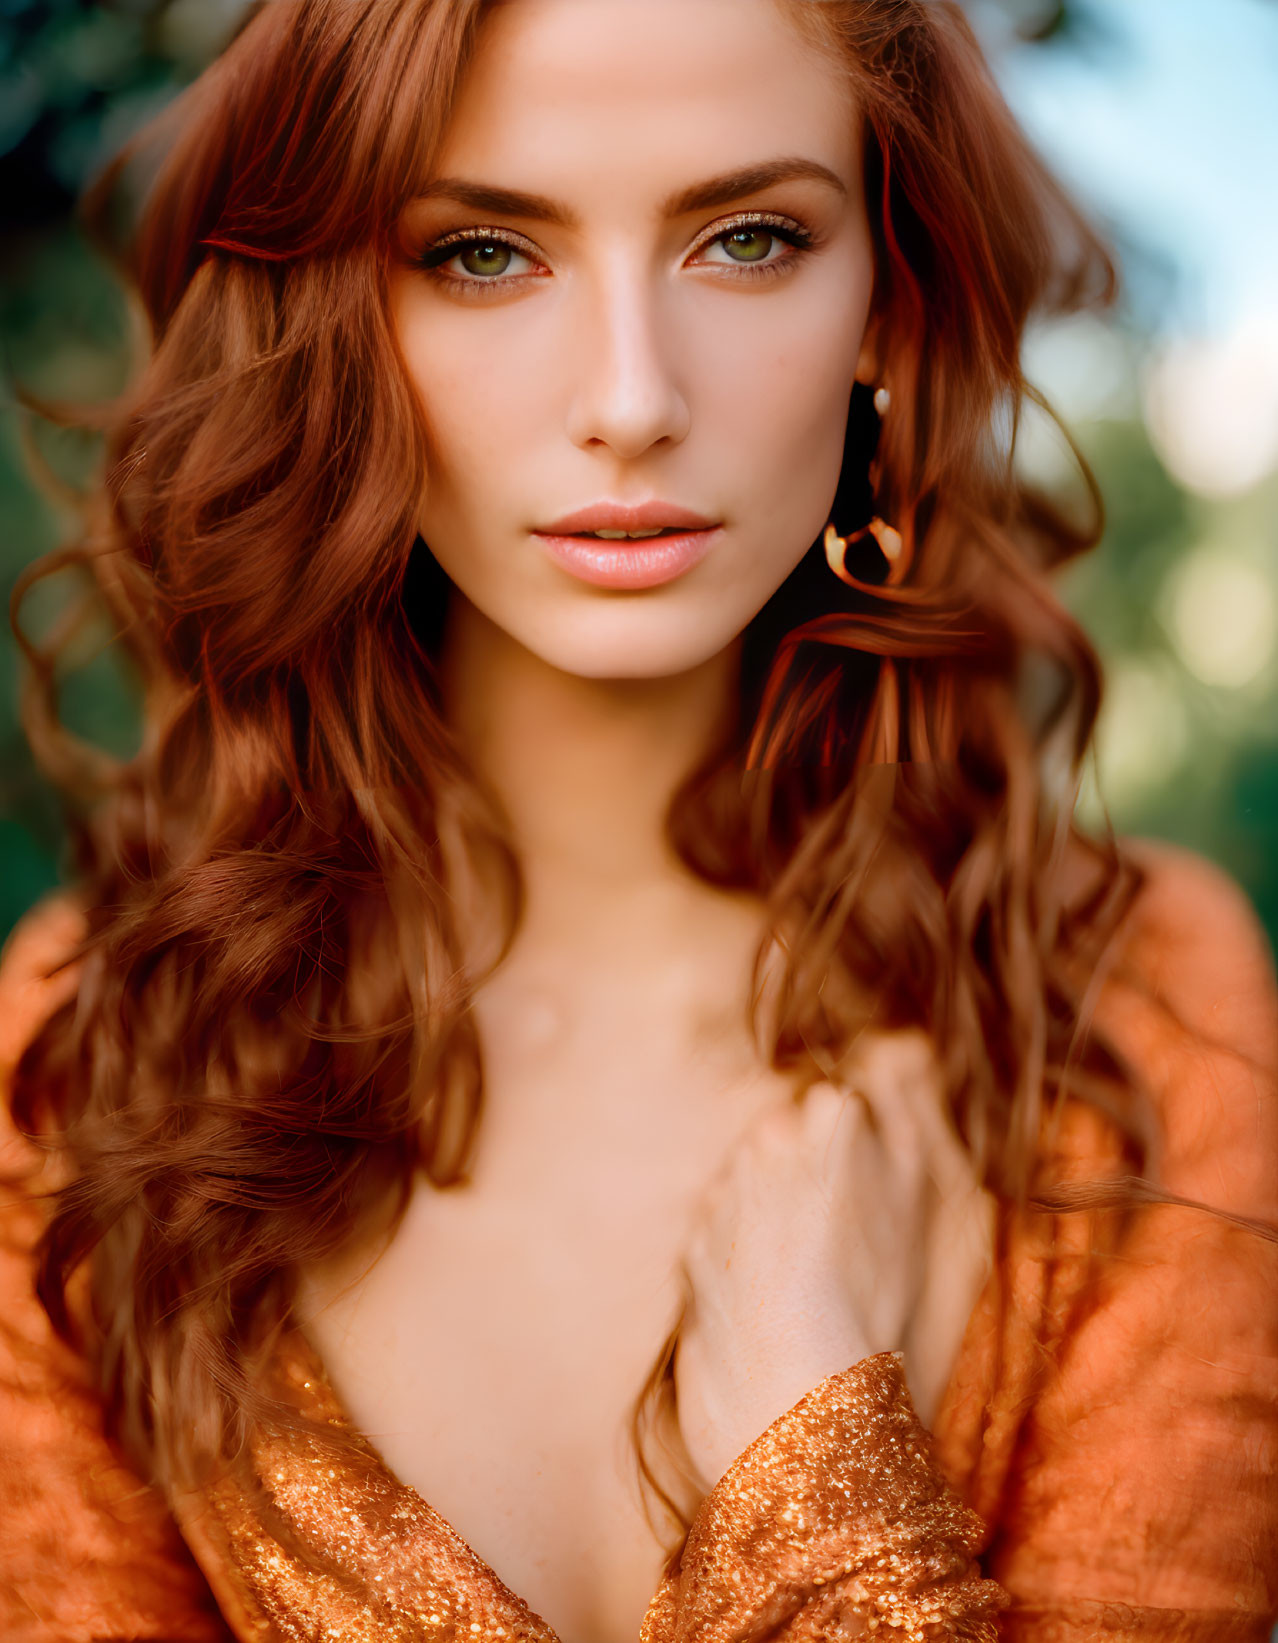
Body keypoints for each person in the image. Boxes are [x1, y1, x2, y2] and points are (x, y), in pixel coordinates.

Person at [2, 0, 1276, 1638]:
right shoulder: (91, 1055)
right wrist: (822, 1508)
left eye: (748, 240)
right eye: (480, 254)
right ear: (331, 307)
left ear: (886, 296)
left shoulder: (1146, 1014)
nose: (628, 397)